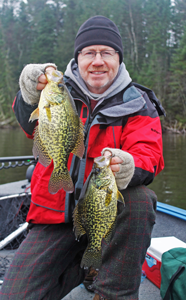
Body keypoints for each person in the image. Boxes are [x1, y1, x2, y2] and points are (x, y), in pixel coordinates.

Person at [0, 15, 165, 300]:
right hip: (54, 218)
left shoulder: (138, 103)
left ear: (118, 59)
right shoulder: (57, 91)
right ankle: (85, 268)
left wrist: (128, 166)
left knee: (140, 200)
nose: (98, 61)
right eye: (90, 52)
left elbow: (148, 154)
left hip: (107, 217)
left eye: (106, 53)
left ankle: (113, 291)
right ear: (78, 58)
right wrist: (28, 94)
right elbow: (30, 124)